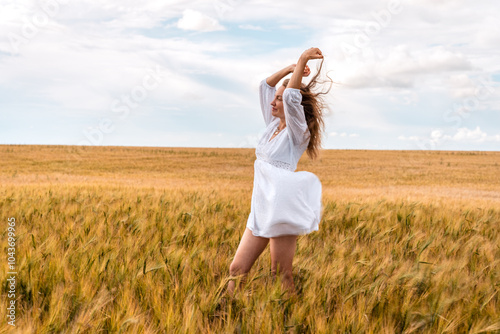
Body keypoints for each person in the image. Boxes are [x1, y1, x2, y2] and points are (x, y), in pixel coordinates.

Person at [227, 47, 332, 296]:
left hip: (282, 208)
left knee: (281, 276)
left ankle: (290, 322)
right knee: (236, 268)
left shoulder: (297, 133)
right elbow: (265, 86)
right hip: (260, 207)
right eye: (275, 98)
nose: (273, 102)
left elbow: (291, 97)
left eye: (279, 99)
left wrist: (302, 60)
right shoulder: (272, 124)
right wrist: (289, 70)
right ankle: (220, 315)